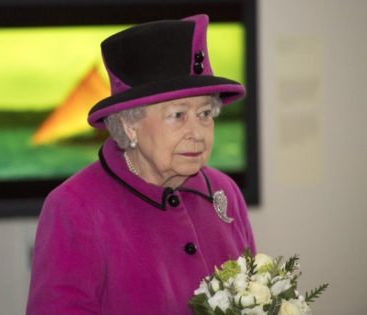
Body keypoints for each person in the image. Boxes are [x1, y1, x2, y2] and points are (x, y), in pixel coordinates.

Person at [26, 14, 255, 315]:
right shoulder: (74, 207)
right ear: (129, 124)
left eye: (205, 115)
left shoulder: (225, 191)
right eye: (178, 115)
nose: (198, 133)